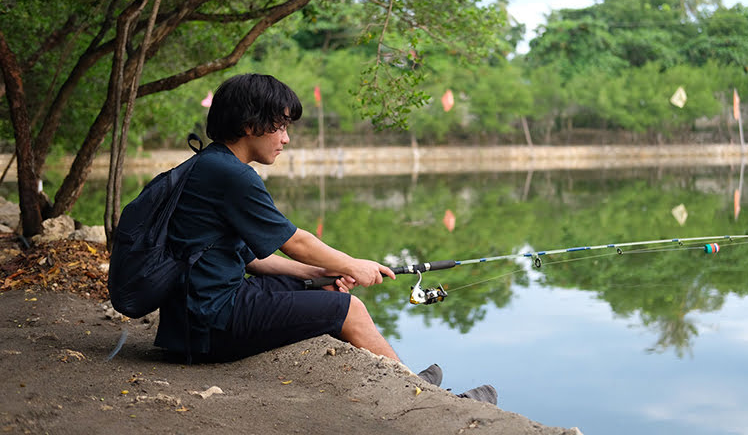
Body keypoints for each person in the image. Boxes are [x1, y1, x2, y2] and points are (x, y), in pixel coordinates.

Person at [154, 73, 495, 403]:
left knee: (328, 289)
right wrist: (354, 265)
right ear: (249, 125)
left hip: (190, 317)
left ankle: (403, 377)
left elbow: (251, 259)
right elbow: (296, 242)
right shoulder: (232, 176)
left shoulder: (209, 163)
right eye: (281, 126)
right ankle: (423, 398)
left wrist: (318, 274)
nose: (286, 138)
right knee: (350, 309)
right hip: (208, 323)